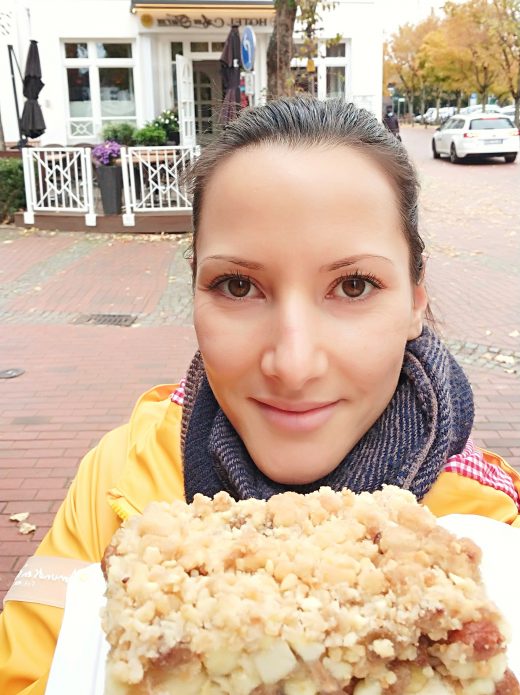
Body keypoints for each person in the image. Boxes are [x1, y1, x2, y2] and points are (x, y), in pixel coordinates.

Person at [1, 96, 519, 694]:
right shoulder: (115, 480)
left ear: (415, 302)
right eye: (238, 285)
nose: (293, 365)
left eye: (353, 285)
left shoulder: (486, 530)